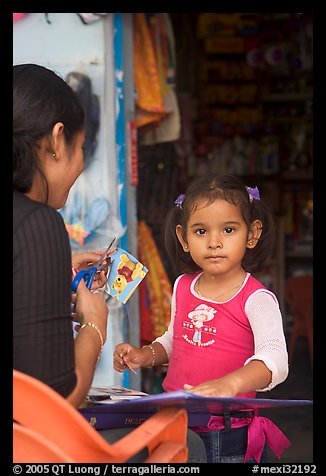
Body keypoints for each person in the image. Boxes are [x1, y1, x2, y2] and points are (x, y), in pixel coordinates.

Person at [13, 63, 206, 463]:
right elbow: (61, 396)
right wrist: (95, 326)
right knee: (192, 444)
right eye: (83, 148)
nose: (81, 165)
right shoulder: (37, 222)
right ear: (56, 139)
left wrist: (55, 275)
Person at [114, 173, 290, 463]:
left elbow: (275, 361)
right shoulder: (183, 286)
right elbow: (175, 340)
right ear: (183, 238)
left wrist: (229, 384)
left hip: (226, 433)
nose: (214, 242)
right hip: (173, 423)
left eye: (229, 230)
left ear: (253, 234)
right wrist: (145, 354)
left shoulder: (257, 299)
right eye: (200, 232)